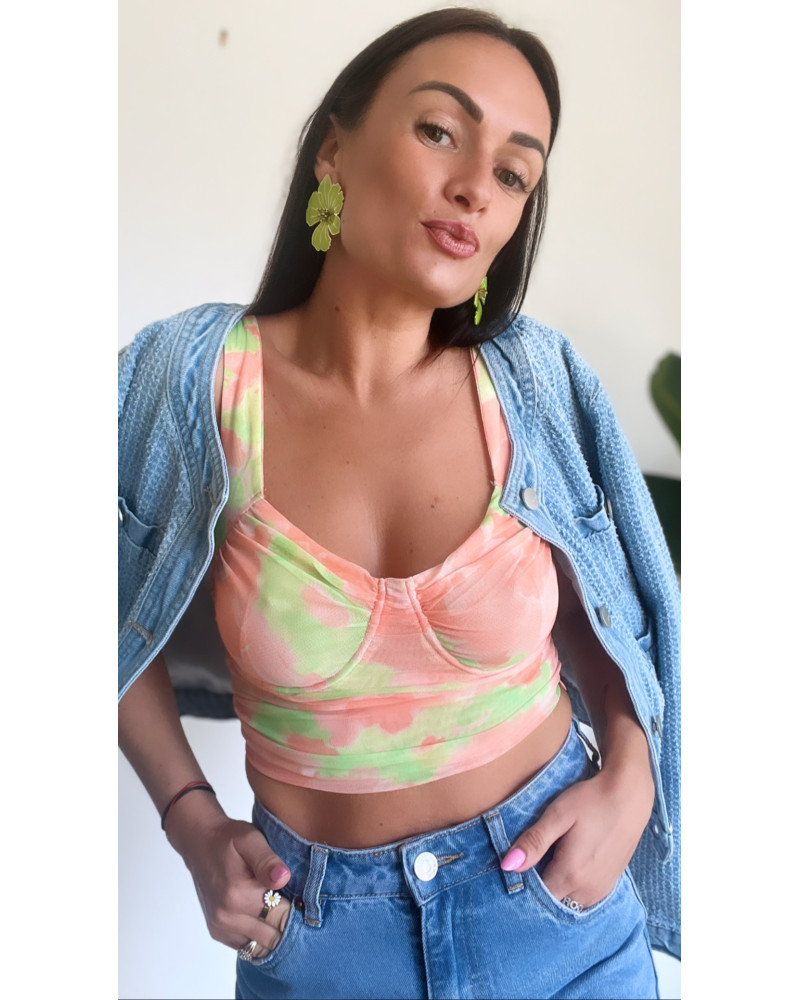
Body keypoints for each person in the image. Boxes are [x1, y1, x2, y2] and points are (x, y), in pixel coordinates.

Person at [118, 8, 680, 999]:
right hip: (318, 943)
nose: (476, 187)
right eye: (438, 130)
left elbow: (613, 614)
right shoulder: (190, 380)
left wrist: (630, 775)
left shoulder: (531, 382)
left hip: (561, 917)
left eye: (514, 173)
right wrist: (189, 817)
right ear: (333, 150)